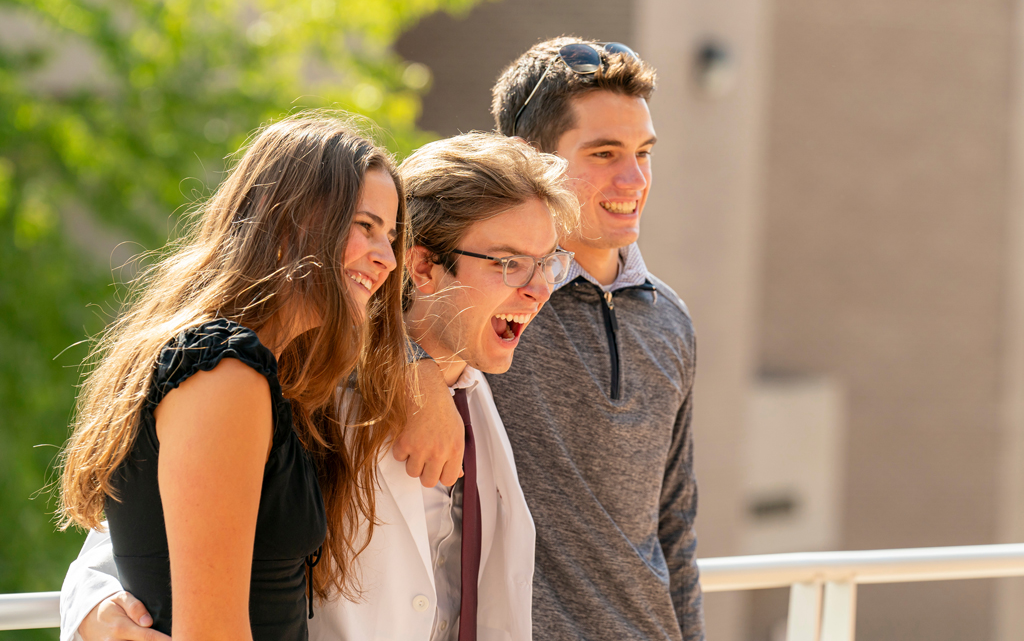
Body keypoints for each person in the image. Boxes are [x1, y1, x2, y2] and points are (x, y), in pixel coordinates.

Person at [60, 132, 580, 641]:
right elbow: (142, 534)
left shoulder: (491, 387)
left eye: (549, 264)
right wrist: (93, 604)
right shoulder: (294, 377)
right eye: (510, 263)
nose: (539, 290)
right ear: (424, 266)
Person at [57, 112, 410, 641]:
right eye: (365, 226)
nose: (385, 258)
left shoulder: (261, 373)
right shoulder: (224, 369)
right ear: (292, 222)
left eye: (391, 235)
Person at [482, 37, 705, 641]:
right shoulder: (481, 302)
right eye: (604, 152)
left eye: (643, 152)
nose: (632, 178)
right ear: (530, 161)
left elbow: (674, 523)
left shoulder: (670, 320)